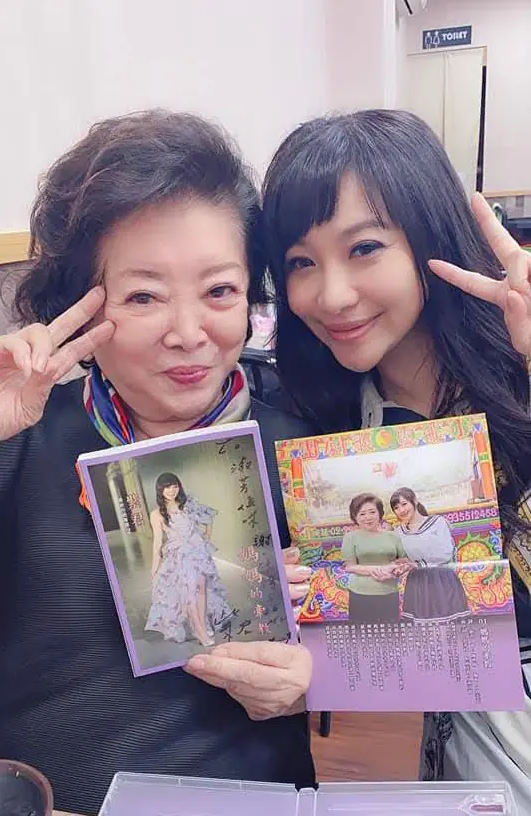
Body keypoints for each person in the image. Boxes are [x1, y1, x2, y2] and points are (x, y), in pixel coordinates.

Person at [0, 110, 315, 814]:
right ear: (83, 306)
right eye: (144, 296)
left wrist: (315, 685)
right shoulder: (18, 439)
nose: (189, 333)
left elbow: (380, 667)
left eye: (220, 291)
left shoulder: (300, 452)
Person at [262, 109, 531, 807]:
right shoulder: (326, 434)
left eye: (364, 248)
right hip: (471, 774)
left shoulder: (519, 376)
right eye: (300, 262)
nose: (331, 295)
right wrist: (301, 609)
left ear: (429, 237)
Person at [146, 472, 231, 647]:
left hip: (197, 553)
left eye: (175, 486)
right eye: (167, 487)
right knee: (189, 595)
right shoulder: (157, 514)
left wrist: (204, 539)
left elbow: (208, 518)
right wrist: (154, 568)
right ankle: (200, 632)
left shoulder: (188, 505)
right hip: (178, 557)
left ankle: (203, 625)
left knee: (201, 590)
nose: (171, 490)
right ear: (160, 490)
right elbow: (157, 543)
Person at [389, 487, 470, 622]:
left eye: (404, 504)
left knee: (446, 626)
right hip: (417, 583)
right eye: (396, 508)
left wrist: (417, 563)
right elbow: (402, 558)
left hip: (441, 580)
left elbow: (445, 553)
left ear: (414, 501)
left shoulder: (437, 522)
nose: (401, 510)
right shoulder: (398, 532)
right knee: (422, 628)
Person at [341, 492, 405, 623]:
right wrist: (380, 569)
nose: (368, 517)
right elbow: (350, 567)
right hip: (360, 593)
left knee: (390, 632)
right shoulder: (350, 537)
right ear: (355, 517)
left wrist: (395, 571)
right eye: (362, 514)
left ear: (380, 513)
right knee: (363, 633)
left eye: (372, 512)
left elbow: (403, 562)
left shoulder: (393, 536)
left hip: (389, 592)